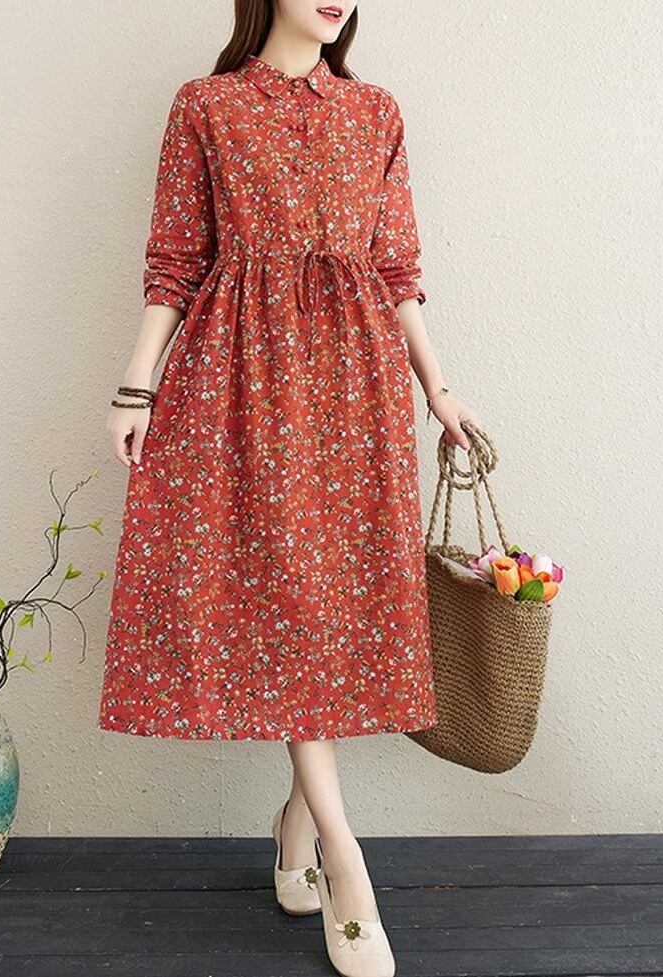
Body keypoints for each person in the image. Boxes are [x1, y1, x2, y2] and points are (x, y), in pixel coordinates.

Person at [100, 2, 479, 974]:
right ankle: (347, 866)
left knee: (331, 607)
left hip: (355, 382)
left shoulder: (374, 111)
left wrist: (438, 389)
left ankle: (297, 821)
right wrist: (136, 385)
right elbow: (175, 259)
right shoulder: (206, 106)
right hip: (239, 377)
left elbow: (395, 266)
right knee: (283, 599)